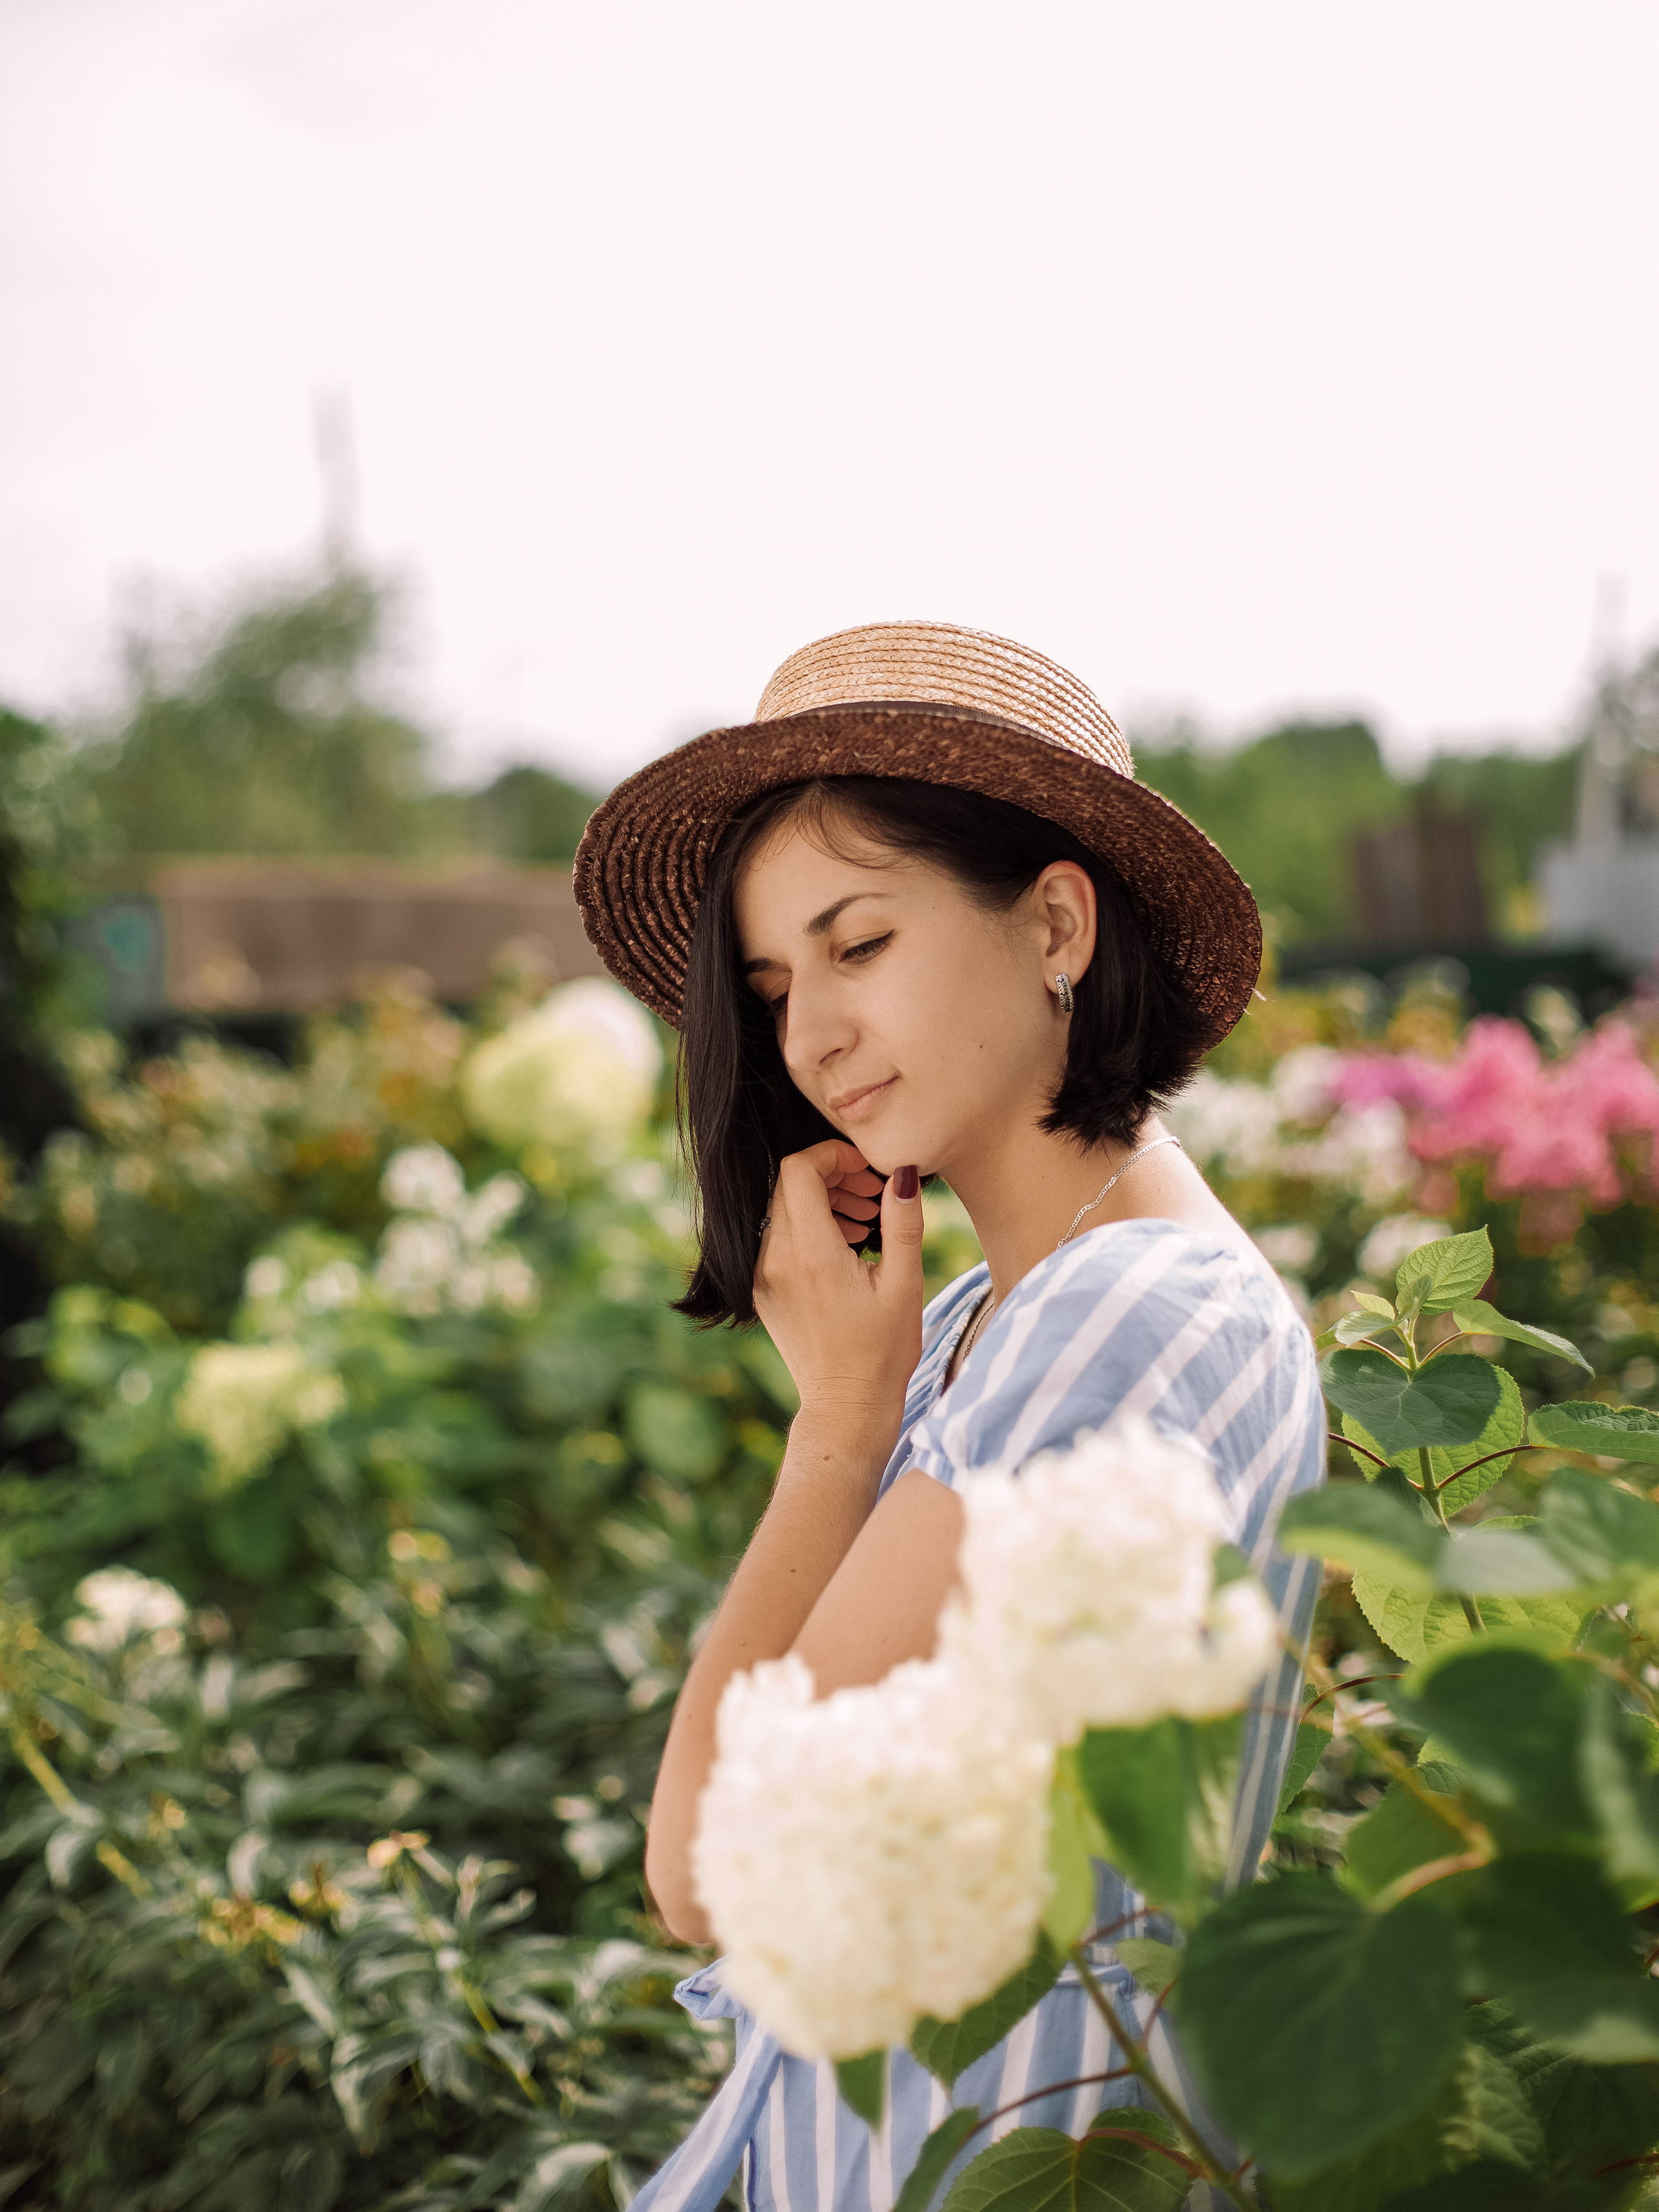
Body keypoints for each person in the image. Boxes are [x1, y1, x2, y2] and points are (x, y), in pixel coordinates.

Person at [573, 622, 1325, 2212]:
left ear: (1055, 920)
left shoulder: (1117, 1313)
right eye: (776, 984)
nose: (808, 1038)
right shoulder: (1010, 1310)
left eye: (859, 946)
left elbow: (704, 1866)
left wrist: (838, 1426)